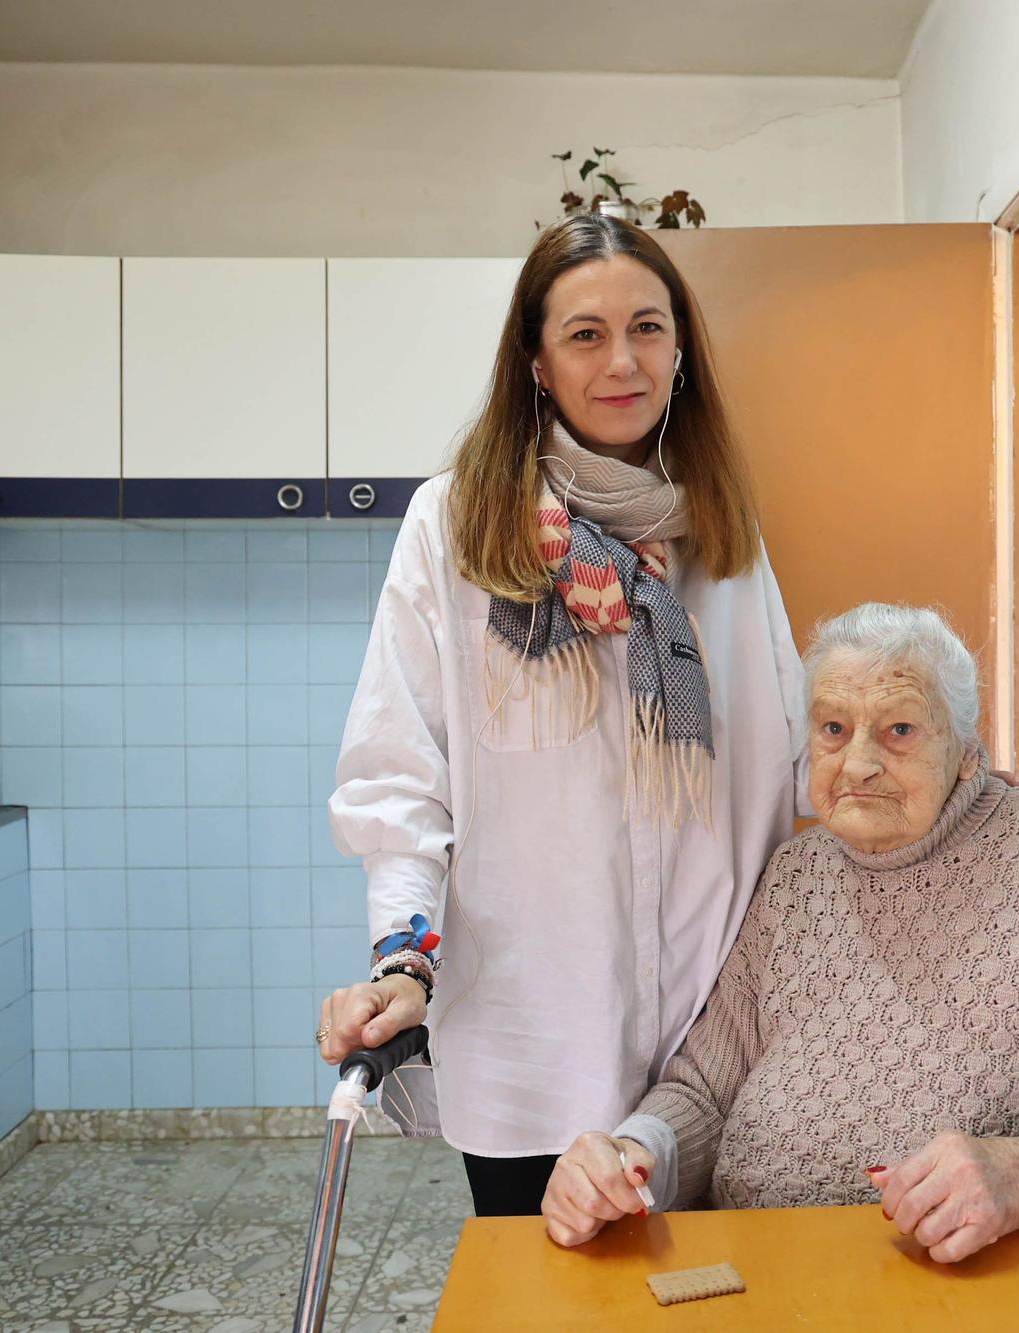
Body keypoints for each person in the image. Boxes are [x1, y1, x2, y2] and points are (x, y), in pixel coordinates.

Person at [318, 214, 810, 1218]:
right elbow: (398, 772)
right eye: (584, 334)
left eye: (647, 328)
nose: (621, 360)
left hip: (706, 1043)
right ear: (535, 360)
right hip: (529, 1037)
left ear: (680, 350)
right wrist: (401, 960)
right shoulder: (455, 529)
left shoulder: (722, 535)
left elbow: (789, 752)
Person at [542, 604, 1019, 1261]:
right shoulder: (797, 874)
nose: (858, 763)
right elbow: (705, 1091)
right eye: (833, 728)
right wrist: (635, 1152)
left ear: (965, 750)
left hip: (963, 1287)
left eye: (899, 730)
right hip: (762, 1273)